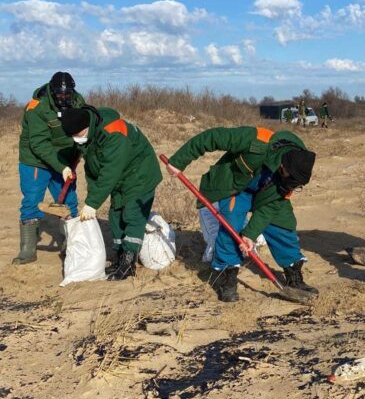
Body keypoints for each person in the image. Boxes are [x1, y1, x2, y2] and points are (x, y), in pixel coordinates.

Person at [166, 127, 317, 303]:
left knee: (283, 224)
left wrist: (250, 235)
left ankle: (294, 276)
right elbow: (212, 137)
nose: (290, 184)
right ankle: (226, 278)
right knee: (231, 226)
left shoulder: (295, 171)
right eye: (289, 178)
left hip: (266, 195)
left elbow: (269, 208)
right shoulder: (257, 140)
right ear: (283, 165)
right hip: (236, 187)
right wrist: (179, 160)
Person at [59, 106, 162, 280]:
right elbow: (93, 170)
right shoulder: (89, 136)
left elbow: (109, 172)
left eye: (77, 135)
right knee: (115, 216)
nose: (76, 140)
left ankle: (129, 263)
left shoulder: (114, 133)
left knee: (132, 216)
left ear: (86, 127)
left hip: (140, 174)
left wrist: (93, 203)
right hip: (121, 177)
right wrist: (66, 167)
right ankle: (120, 258)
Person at [14, 72, 85, 265]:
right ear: (52, 92)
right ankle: (28, 249)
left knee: (69, 202)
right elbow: (39, 144)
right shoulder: (36, 107)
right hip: (35, 161)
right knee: (31, 201)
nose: (64, 98)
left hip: (65, 159)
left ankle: (71, 243)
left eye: (67, 94)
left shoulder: (78, 102)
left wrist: (77, 154)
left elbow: (84, 128)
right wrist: (60, 167)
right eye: (60, 95)